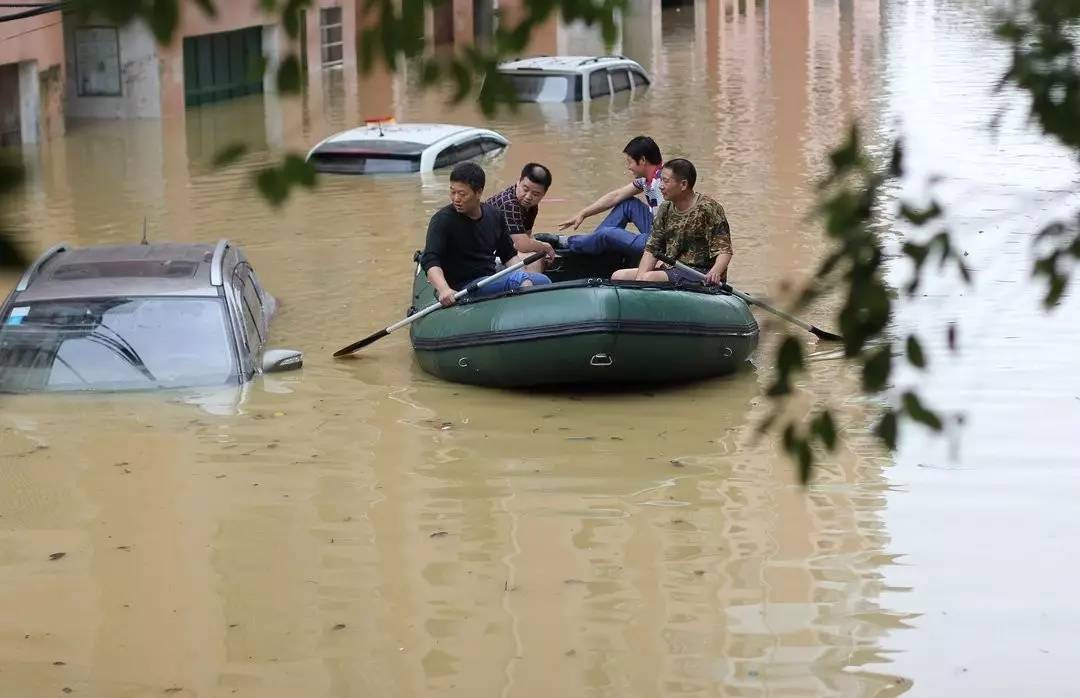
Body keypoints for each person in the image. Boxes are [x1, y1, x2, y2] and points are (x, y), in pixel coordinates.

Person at [421, 163, 554, 307]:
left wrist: (523, 275)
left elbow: (508, 255)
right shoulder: (442, 220)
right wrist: (444, 289)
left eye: (462, 194)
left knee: (543, 281)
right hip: (464, 287)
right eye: (453, 192)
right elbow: (430, 260)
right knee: (518, 279)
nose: (456, 199)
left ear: (478, 192)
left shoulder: (494, 215)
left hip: (488, 278)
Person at [535, 136, 663, 257]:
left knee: (606, 233)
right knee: (627, 204)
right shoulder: (647, 180)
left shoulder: (664, 183)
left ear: (642, 160)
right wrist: (583, 213)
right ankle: (592, 243)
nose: (628, 167)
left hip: (661, 242)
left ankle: (569, 242)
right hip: (656, 228)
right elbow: (616, 196)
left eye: (630, 162)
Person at [611, 158, 733, 285]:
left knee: (648, 279)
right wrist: (639, 279)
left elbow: (724, 250)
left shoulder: (708, 208)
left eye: (666, 181)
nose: (660, 186)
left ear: (683, 185)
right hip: (673, 267)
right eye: (661, 180)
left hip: (699, 272)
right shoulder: (665, 208)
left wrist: (715, 272)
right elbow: (652, 248)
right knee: (618, 276)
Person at [485, 163, 553, 273]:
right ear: (518, 182)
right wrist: (546, 247)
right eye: (525, 189)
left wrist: (541, 249)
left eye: (535, 194)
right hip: (485, 252)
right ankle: (531, 288)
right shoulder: (509, 204)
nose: (528, 197)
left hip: (502, 247)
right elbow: (522, 245)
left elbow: (527, 235)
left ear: (543, 194)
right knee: (532, 260)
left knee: (537, 255)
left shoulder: (531, 206)